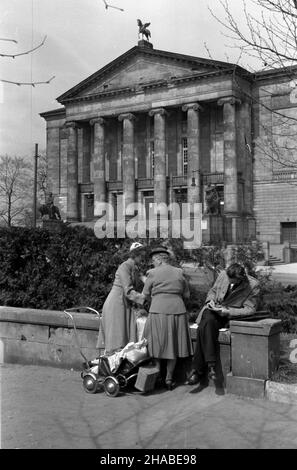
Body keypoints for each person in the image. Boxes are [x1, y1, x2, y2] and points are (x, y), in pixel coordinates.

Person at [186, 263, 259, 385]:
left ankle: (198, 369)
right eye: (229, 281)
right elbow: (213, 291)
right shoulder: (223, 274)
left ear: (241, 278)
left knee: (204, 327)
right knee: (207, 320)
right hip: (214, 309)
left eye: (234, 282)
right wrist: (210, 301)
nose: (231, 284)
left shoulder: (253, 285)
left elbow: (250, 309)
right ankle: (211, 366)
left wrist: (229, 311)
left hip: (229, 315)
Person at [142, 246, 193, 390]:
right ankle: (169, 379)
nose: (152, 264)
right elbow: (187, 295)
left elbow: (145, 294)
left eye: (153, 261)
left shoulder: (152, 273)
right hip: (178, 310)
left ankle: (157, 374)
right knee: (173, 345)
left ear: (157, 260)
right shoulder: (179, 272)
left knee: (156, 344)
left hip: (158, 310)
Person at [97, 242, 146, 354]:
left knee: (125, 337)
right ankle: (111, 365)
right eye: (141, 255)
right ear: (135, 255)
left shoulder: (135, 268)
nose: (142, 257)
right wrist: (144, 299)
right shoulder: (125, 266)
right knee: (117, 337)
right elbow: (128, 290)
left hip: (124, 304)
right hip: (117, 303)